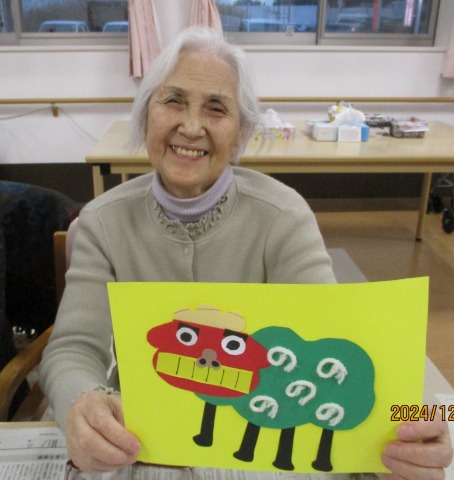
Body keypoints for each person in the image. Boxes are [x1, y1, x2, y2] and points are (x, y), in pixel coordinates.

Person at [39, 27, 452, 477]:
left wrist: (416, 428)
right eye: (173, 101)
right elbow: (73, 349)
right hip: (142, 445)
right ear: (145, 117)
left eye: (216, 108)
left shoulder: (283, 217)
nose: (191, 126)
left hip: (260, 446)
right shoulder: (103, 221)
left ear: (240, 135)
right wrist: (82, 402)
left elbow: (342, 346)